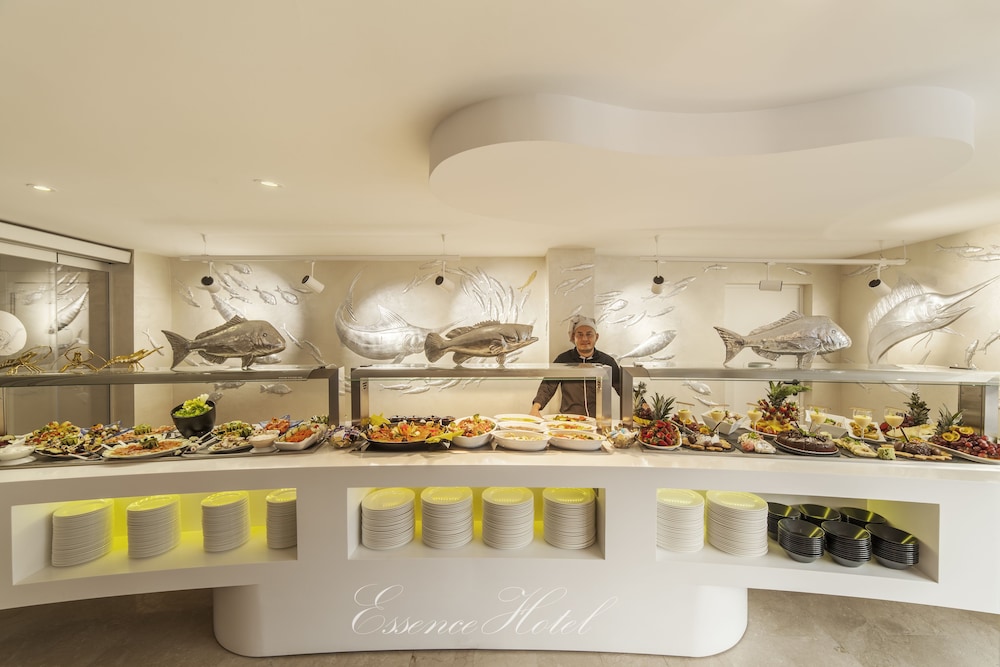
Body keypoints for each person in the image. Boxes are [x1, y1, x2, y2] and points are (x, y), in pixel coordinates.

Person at [530, 316, 622, 418]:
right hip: (570, 419)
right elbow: (548, 386)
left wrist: (636, 406)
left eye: (589, 334)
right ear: (574, 337)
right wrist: (535, 408)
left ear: (596, 337)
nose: (584, 339)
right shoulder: (563, 359)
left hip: (599, 420)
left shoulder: (607, 361)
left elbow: (622, 388)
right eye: (580, 334)